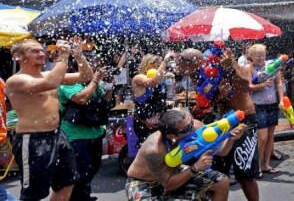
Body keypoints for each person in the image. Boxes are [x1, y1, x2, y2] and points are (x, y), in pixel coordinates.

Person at [6, 39, 93, 200]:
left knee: (68, 182)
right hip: (32, 140)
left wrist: (80, 57)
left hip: (57, 135)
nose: (41, 53)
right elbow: (51, 83)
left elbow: (86, 76)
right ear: (18, 57)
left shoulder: (48, 74)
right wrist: (63, 56)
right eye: (34, 51)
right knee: (33, 194)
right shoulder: (16, 81)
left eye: (41, 50)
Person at [126, 109, 237, 201]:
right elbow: (168, 185)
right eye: (187, 128)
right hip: (144, 182)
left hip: (174, 171)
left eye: (191, 123)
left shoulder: (194, 126)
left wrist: (231, 138)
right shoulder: (155, 150)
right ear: (171, 136)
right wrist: (195, 168)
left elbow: (223, 151)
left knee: (221, 181)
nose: (193, 128)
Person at [58, 59, 113, 201]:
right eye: (91, 65)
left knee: (91, 170)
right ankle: (78, 197)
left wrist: (109, 84)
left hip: (95, 134)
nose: (94, 67)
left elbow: (105, 100)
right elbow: (82, 98)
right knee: (79, 173)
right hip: (76, 137)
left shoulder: (92, 83)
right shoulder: (68, 83)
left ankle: (84, 196)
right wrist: (95, 80)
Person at [211, 48, 260, 201]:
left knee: (245, 172)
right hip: (222, 121)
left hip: (244, 119)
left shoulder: (240, 67)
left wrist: (232, 66)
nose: (221, 59)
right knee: (219, 172)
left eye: (225, 56)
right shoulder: (212, 72)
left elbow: (247, 85)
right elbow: (210, 98)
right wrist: (219, 94)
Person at [245, 44, 285, 175]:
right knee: (262, 137)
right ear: (251, 57)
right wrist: (262, 85)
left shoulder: (272, 65)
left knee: (270, 137)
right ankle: (257, 166)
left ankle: (266, 164)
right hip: (258, 105)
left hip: (272, 104)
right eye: (258, 56)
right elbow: (249, 87)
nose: (261, 58)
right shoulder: (249, 68)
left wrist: (281, 99)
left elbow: (279, 83)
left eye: (263, 55)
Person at [131, 52, 177, 148]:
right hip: (145, 124)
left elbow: (169, 95)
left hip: (159, 123)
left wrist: (171, 81)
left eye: (160, 65)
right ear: (149, 65)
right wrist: (165, 61)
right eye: (158, 65)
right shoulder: (138, 78)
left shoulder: (161, 78)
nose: (161, 68)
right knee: (149, 153)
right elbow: (153, 82)